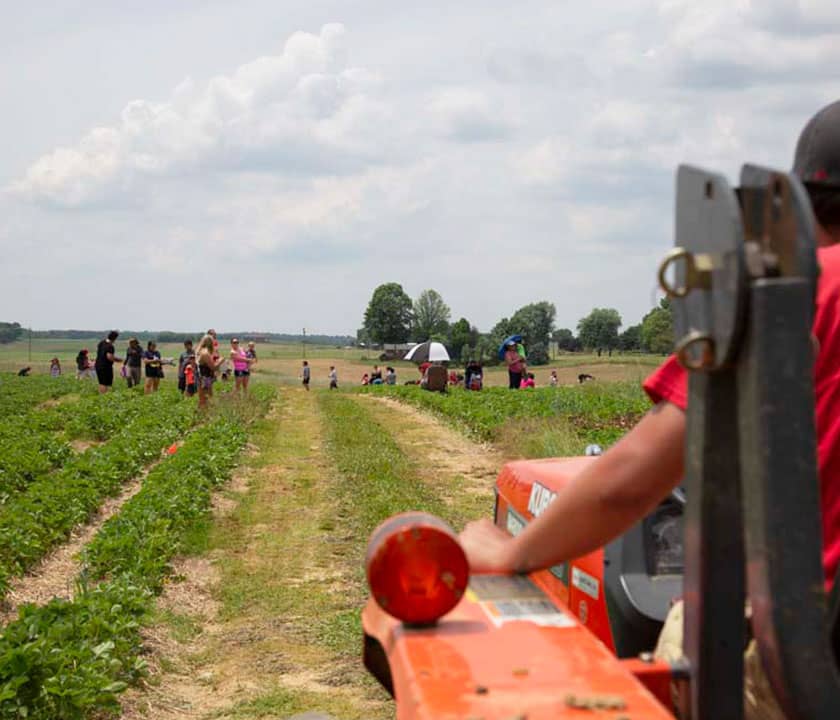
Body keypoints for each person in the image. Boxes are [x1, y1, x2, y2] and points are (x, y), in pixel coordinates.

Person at [460, 100, 840, 720]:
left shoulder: (800, 293)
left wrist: (509, 555)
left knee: (693, 627)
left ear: (799, 205)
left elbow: (632, 481)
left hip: (809, 657)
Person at [197, 334, 224, 409]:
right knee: (205, 399)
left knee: (205, 399)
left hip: (205, 378)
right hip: (204, 378)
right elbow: (213, 367)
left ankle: (203, 416)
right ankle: (203, 416)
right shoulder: (205, 353)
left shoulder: (204, 351)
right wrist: (221, 361)